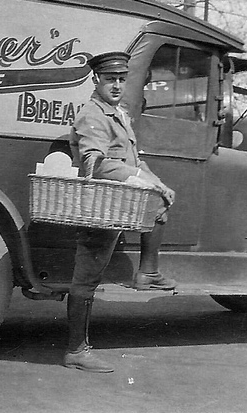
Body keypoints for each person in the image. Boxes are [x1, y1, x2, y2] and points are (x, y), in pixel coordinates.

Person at [63, 51, 176, 373]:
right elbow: (95, 163)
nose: (116, 85)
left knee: (160, 202)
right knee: (85, 279)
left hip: (119, 203)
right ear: (95, 80)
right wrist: (142, 180)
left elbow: (134, 161)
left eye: (121, 79)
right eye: (110, 79)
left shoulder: (118, 114)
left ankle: (148, 272)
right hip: (99, 204)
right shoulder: (92, 115)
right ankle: (76, 351)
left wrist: (157, 183)